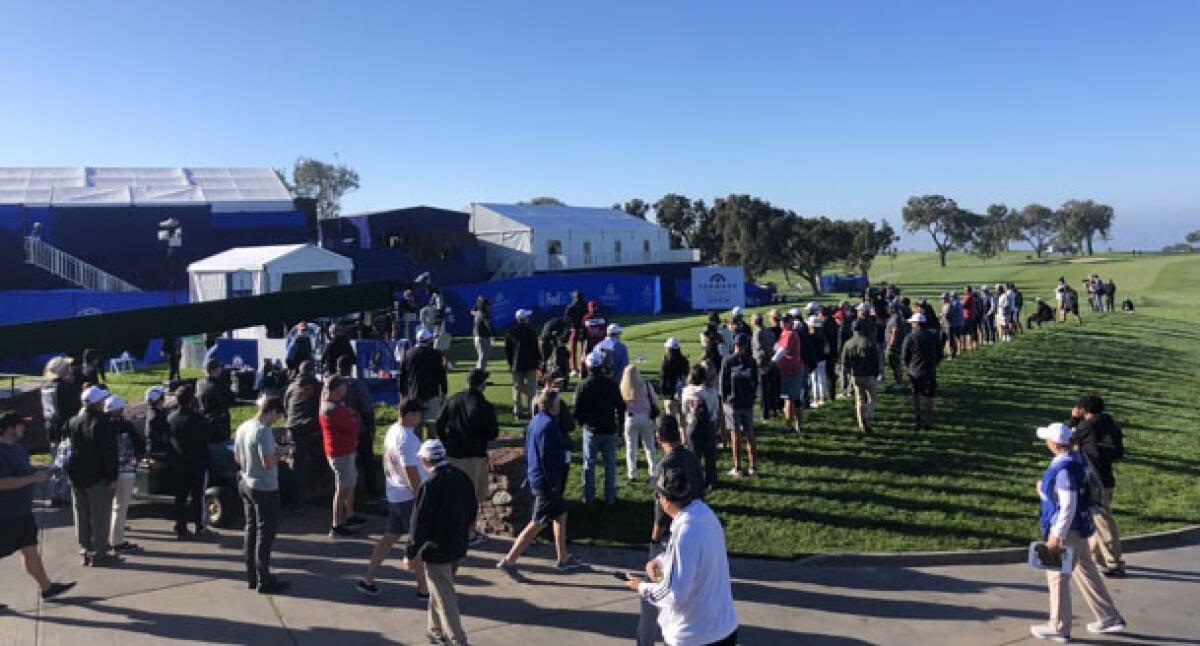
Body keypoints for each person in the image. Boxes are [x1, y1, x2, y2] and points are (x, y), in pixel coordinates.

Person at [1029, 422, 1125, 643]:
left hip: (1065, 531)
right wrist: (1043, 490)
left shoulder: (1063, 469)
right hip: (1081, 528)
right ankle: (1109, 617)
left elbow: (1068, 504)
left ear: (1053, 444)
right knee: (1086, 570)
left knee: (1057, 578)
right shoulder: (1077, 461)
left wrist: (1057, 535)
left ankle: (1058, 627)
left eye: (1047, 439)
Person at [625, 464, 739, 646]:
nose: (657, 499)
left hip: (694, 636)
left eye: (658, 495)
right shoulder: (705, 515)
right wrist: (660, 561)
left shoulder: (685, 532)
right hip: (723, 629)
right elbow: (694, 558)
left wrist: (641, 587)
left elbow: (674, 594)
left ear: (666, 502)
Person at [497, 389, 585, 578]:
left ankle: (563, 558)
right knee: (537, 522)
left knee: (560, 514)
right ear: (553, 405)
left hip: (537, 477)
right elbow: (548, 459)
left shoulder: (536, 421)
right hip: (546, 483)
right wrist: (554, 485)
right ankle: (509, 560)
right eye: (559, 402)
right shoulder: (549, 426)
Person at [638, 415, 705, 646]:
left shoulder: (664, 466)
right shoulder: (691, 458)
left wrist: (654, 540)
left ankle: (646, 642)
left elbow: (661, 511)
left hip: (667, 541)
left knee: (654, 595)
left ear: (658, 437)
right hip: (694, 529)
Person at [404, 439, 477, 646]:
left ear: (425, 460)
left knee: (445, 597)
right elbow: (472, 508)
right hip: (458, 544)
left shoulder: (429, 484)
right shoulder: (461, 477)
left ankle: (457, 640)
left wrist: (410, 552)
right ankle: (434, 628)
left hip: (437, 550)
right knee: (440, 589)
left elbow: (419, 522)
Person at [0, 412, 75, 603]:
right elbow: (3, 483)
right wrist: (33, 479)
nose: (24, 428)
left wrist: (41, 472)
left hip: (22, 513)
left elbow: (23, 473)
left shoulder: (17, 448)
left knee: (30, 550)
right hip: (5, 515)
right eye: (21, 425)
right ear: (10, 428)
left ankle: (47, 588)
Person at [359, 399, 429, 598]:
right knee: (417, 542)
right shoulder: (407, 438)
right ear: (409, 415)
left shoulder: (392, 431)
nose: (420, 417)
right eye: (418, 414)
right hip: (408, 497)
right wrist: (420, 495)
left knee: (390, 537)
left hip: (395, 493)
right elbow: (410, 470)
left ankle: (368, 580)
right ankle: (423, 588)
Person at [435, 368, 500, 545]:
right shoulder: (484, 406)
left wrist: (446, 442)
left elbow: (439, 424)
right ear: (482, 384)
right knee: (472, 498)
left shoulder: (453, 400)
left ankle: (452, 529)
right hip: (474, 457)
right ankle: (469, 533)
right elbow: (493, 433)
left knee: (454, 495)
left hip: (453, 455)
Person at [234, 395, 290, 594]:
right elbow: (268, 463)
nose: (276, 419)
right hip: (265, 487)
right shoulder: (263, 431)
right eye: (277, 415)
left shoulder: (244, 427)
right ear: (272, 411)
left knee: (251, 529)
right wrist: (282, 453)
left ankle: (251, 575)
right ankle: (264, 578)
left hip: (246, 482)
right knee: (265, 534)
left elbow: (238, 458)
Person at [1069, 394, 1126, 577]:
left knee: (1102, 521)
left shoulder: (1087, 426)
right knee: (1097, 518)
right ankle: (1096, 558)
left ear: (1084, 410)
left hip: (1095, 481)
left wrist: (1074, 419)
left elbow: (1067, 437)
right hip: (1106, 478)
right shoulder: (1109, 423)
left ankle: (1114, 563)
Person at [66, 386, 119, 566]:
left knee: (81, 514)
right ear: (98, 403)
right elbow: (109, 453)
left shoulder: (74, 421)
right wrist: (112, 476)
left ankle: (85, 549)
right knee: (100, 516)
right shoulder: (104, 423)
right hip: (98, 476)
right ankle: (100, 553)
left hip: (77, 474)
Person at [574, 353, 625, 505]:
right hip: (609, 429)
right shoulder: (611, 384)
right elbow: (621, 407)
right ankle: (610, 498)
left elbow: (577, 411)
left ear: (588, 367)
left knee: (589, 464)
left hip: (591, 430)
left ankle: (588, 497)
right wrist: (620, 426)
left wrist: (582, 423)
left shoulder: (583, 385)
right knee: (610, 465)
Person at [321, 375, 363, 538]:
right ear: (337, 390)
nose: (346, 388)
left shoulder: (331, 405)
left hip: (343, 450)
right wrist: (353, 416)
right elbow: (354, 427)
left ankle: (349, 515)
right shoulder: (334, 409)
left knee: (348, 483)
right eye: (344, 386)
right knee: (342, 487)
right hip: (341, 452)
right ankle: (336, 525)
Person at [168, 384, 212, 540]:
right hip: (197, 462)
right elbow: (208, 437)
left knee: (180, 497)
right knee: (197, 496)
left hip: (179, 462)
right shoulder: (198, 418)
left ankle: (181, 526)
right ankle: (200, 525)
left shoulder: (171, 418)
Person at [337, 355, 380, 501]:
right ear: (351, 368)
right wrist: (371, 427)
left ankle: (347, 495)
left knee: (345, 466)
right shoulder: (356, 385)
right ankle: (371, 493)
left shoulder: (330, 385)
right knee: (367, 461)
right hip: (358, 429)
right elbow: (367, 408)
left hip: (339, 430)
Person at [106, 396, 144, 555]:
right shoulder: (126, 426)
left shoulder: (102, 426)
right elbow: (138, 445)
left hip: (107, 471)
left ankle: (105, 538)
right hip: (126, 469)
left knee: (107, 506)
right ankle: (117, 541)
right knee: (120, 506)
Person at [283, 361, 321, 512]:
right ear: (312, 371)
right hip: (309, 428)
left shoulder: (291, 386)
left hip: (292, 427)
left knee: (297, 464)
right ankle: (300, 502)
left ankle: (298, 498)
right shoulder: (317, 386)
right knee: (302, 467)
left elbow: (286, 405)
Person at [398, 328, 449, 438]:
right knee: (432, 425)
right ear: (429, 340)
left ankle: (418, 450)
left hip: (414, 396)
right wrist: (444, 391)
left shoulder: (408, 354)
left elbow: (402, 377)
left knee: (416, 426)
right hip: (431, 394)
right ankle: (431, 451)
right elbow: (441, 375)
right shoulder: (435, 354)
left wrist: (402, 394)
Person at [720, 333, 759, 477]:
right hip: (746, 402)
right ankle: (753, 467)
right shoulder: (751, 361)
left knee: (735, 435)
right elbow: (755, 382)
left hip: (733, 403)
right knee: (749, 434)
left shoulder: (728, 361)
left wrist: (724, 400)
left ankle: (738, 467)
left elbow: (722, 383)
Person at [900, 312, 942, 429]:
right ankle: (928, 421)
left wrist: (908, 367)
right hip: (929, 370)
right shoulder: (933, 336)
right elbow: (939, 353)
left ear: (916, 324)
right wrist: (935, 363)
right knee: (929, 397)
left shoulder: (910, 337)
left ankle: (917, 417)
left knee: (916, 394)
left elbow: (904, 355)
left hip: (915, 371)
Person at [681, 366, 719, 490]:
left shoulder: (686, 391)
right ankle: (711, 480)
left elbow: (684, 410)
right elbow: (715, 410)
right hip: (708, 425)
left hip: (693, 424)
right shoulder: (711, 391)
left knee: (694, 455)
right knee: (710, 455)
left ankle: (694, 480)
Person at [620, 366, 660, 483]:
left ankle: (632, 473)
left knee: (631, 447)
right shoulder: (646, 385)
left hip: (630, 418)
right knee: (649, 446)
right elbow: (655, 400)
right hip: (646, 417)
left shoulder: (623, 388)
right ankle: (653, 471)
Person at [840, 319, 880, 434]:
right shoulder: (868, 342)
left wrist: (849, 373)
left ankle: (862, 424)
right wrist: (876, 372)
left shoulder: (848, 343)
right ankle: (867, 415)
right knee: (872, 398)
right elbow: (875, 359)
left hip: (856, 375)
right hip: (869, 374)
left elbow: (844, 362)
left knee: (859, 399)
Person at [505, 309, 542, 418]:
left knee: (517, 388)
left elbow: (508, 351)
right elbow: (535, 349)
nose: (529, 318)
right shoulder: (531, 331)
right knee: (532, 389)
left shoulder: (510, 332)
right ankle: (532, 411)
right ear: (524, 319)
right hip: (530, 364)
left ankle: (518, 411)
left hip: (516, 365)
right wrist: (539, 361)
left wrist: (510, 364)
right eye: (527, 317)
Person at [775, 311, 805, 434]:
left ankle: (792, 424)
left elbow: (782, 350)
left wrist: (772, 361)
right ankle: (795, 424)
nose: (780, 323)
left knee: (791, 398)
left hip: (793, 370)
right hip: (786, 369)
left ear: (789, 322)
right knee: (790, 398)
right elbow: (777, 346)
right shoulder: (784, 333)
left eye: (783, 321)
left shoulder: (791, 334)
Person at [197, 358, 235, 443]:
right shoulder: (219, 384)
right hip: (219, 421)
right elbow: (232, 398)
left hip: (204, 418)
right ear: (215, 370)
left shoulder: (200, 382)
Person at [750, 314, 779, 421]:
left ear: (754, 321)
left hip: (762, 364)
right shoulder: (769, 331)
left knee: (763, 391)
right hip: (771, 362)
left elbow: (759, 348)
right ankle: (773, 410)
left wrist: (766, 362)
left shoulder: (757, 332)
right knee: (772, 388)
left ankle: (764, 414)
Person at [659, 338, 690, 421]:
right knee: (683, 422)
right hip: (683, 394)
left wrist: (664, 393)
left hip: (670, 395)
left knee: (671, 423)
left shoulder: (666, 362)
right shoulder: (684, 361)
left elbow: (663, 378)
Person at [884, 302, 910, 392]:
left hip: (895, 346)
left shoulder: (895, 318)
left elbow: (894, 332)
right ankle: (899, 382)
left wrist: (890, 345)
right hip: (895, 345)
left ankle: (899, 383)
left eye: (889, 308)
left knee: (896, 365)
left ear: (893, 309)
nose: (887, 309)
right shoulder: (895, 318)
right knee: (895, 365)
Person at [805, 315, 829, 407]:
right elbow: (826, 349)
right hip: (822, 360)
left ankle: (816, 399)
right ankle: (822, 398)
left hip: (814, 360)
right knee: (821, 380)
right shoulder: (822, 335)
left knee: (814, 380)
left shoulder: (810, 337)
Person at [564, 290, 588, 376]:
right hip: (582, 329)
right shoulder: (585, 305)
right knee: (583, 350)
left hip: (575, 329)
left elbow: (566, 319)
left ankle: (574, 368)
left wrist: (571, 326)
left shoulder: (571, 306)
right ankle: (582, 368)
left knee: (573, 350)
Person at [471, 296, 494, 370]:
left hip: (479, 337)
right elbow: (488, 325)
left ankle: (480, 377)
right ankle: (478, 376)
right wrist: (493, 334)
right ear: (485, 305)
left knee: (483, 357)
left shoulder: (478, 312)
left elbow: (472, 311)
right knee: (483, 357)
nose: (489, 307)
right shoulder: (483, 314)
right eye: (488, 305)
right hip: (482, 338)